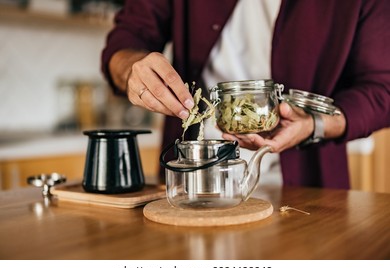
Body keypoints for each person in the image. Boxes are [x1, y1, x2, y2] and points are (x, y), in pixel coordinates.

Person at [101, 0, 390, 189]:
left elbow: (382, 90)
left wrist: (315, 124)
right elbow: (127, 39)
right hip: (192, 178)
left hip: (309, 185)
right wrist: (132, 70)